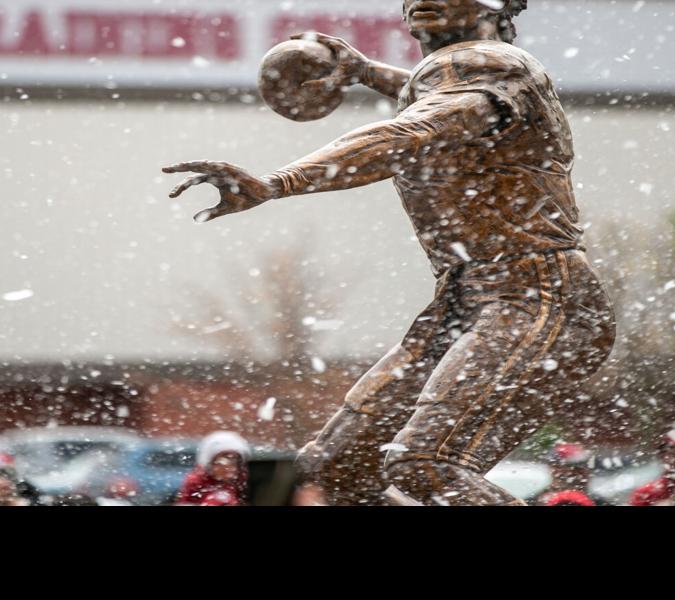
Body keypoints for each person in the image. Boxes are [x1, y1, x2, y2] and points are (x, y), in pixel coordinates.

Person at [163, 0, 614, 505]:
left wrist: (278, 182)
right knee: (332, 469)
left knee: (425, 462)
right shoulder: (464, 77)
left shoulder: (493, 63)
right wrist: (364, 72)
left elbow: (411, 133)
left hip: (540, 297)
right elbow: (430, 103)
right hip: (471, 300)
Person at [176, 431, 251, 506]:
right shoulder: (197, 482)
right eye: (220, 464)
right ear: (209, 464)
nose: (227, 469)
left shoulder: (242, 481)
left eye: (233, 464)